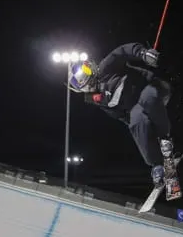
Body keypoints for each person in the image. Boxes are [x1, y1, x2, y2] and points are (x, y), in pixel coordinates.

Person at [68, 42, 176, 186]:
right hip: (137, 106)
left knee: (147, 98)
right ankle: (156, 165)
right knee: (136, 121)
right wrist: (140, 127)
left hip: (154, 87)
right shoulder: (97, 100)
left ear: (91, 67)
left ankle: (165, 138)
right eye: (81, 83)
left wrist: (143, 54)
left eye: (86, 72)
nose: (88, 83)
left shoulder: (106, 68)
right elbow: (119, 115)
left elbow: (122, 51)